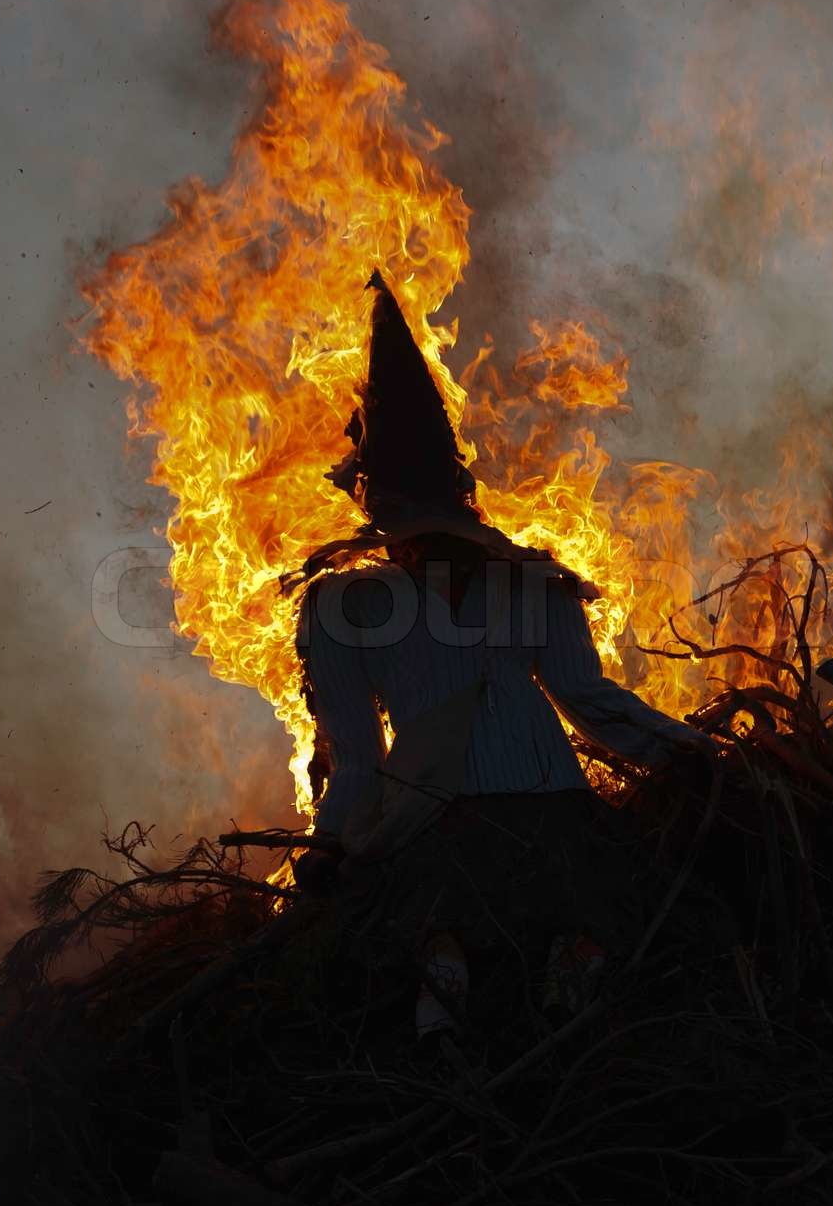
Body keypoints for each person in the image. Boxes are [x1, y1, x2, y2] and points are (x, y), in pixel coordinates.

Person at [288, 271, 715, 1062]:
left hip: (454, 818)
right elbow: (590, 702)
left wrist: (334, 844)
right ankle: (537, 1025)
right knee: (564, 930)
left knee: (448, 943)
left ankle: (465, 1035)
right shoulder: (518, 586)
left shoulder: (346, 607)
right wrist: (687, 756)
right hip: (542, 811)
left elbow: (357, 758)